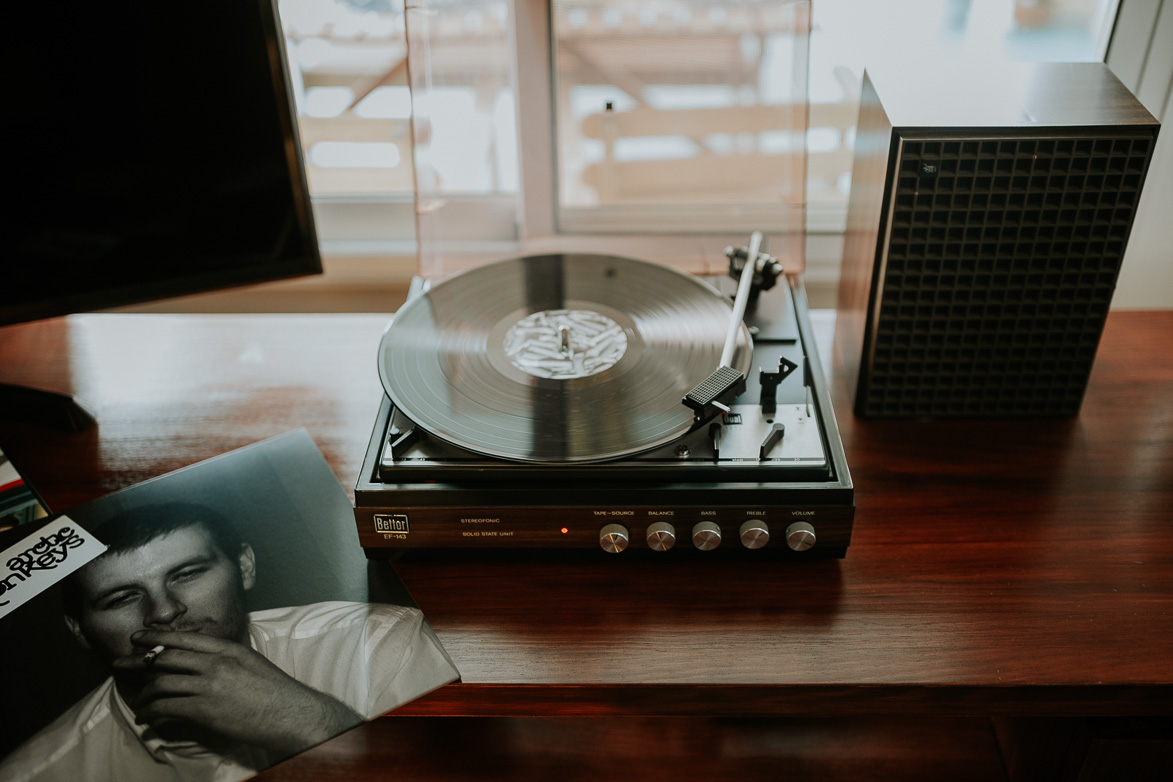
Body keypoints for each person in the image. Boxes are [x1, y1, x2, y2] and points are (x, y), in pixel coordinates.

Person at [0, 503, 458, 782]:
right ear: (79, 630)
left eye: (188, 573)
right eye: (121, 597)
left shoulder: (379, 643)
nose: (162, 612)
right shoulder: (35, 774)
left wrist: (313, 723)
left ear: (244, 567)